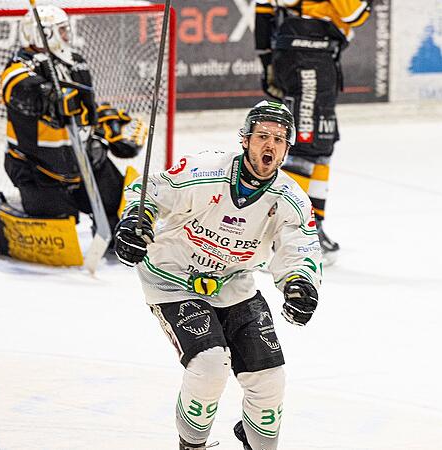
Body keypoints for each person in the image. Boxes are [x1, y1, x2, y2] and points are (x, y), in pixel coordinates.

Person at [114, 101, 323, 450]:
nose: (269, 145)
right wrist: (136, 222)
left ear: (287, 148)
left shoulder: (291, 199)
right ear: (245, 140)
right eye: (262, 136)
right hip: (173, 279)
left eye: (278, 139)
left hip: (234, 285)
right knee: (211, 365)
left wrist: (300, 284)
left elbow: (300, 247)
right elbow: (149, 189)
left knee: (270, 379)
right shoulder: (205, 170)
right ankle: (192, 446)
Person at [0, 5, 143, 242]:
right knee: (56, 228)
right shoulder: (19, 66)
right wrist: (47, 96)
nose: (68, 35)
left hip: (84, 161)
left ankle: (111, 235)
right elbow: (19, 89)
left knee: (119, 206)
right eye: (62, 30)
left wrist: (108, 125)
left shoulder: (75, 62)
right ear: (44, 34)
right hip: (39, 168)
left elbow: (86, 108)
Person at [254, 0, 373, 265]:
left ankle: (312, 225)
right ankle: (281, 235)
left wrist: (266, 57)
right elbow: (354, 12)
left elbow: (263, 7)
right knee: (305, 146)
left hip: (308, 52)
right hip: (309, 55)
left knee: (321, 144)